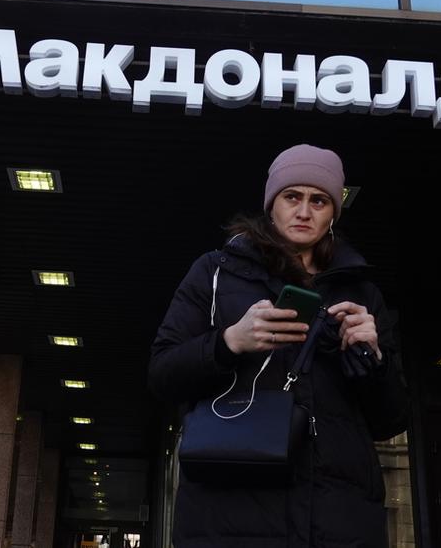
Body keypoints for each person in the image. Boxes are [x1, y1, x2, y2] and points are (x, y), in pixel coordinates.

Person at [149, 144, 408, 548]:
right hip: (229, 511)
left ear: (332, 213)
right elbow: (163, 375)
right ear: (272, 205)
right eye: (292, 197)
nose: (304, 212)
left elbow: (390, 421)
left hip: (339, 519)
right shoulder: (214, 272)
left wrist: (372, 359)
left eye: (319, 201)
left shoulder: (361, 292)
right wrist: (230, 341)